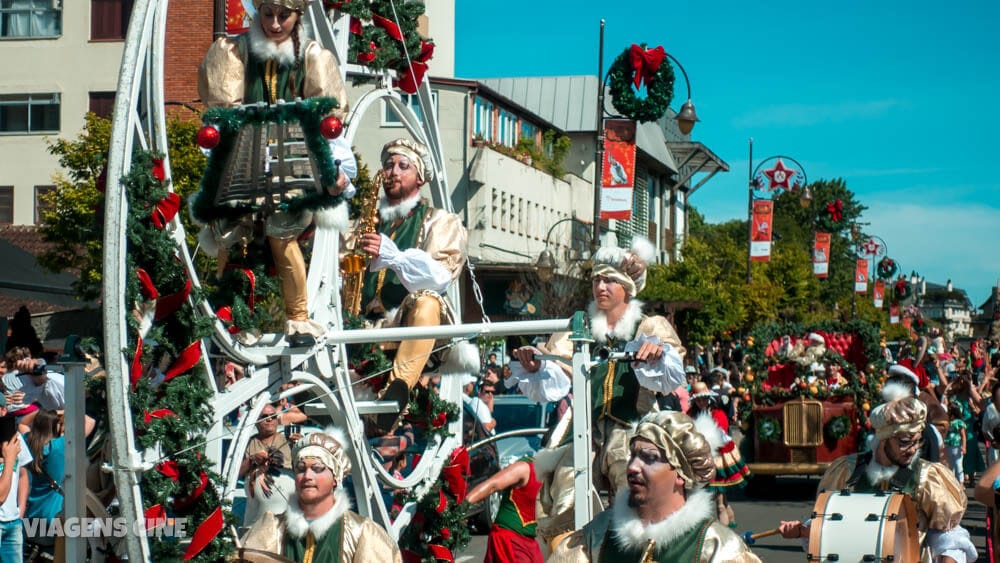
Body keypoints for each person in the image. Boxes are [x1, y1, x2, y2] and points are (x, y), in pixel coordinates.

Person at [197, 0, 357, 347]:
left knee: (281, 233)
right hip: (245, 160)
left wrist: (335, 172)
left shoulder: (314, 58)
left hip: (296, 163)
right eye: (267, 14)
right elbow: (221, 119)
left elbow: (329, 126)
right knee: (228, 232)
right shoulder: (233, 51)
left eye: (283, 15)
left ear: (297, 15)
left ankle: (298, 319)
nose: (273, 23)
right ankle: (234, 316)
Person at [511, 237, 685, 496]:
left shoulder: (648, 327)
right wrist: (537, 366)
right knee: (562, 493)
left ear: (626, 287)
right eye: (596, 280)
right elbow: (556, 366)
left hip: (632, 426)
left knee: (632, 493)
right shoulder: (580, 328)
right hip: (584, 429)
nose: (601, 287)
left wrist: (657, 356)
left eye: (610, 280)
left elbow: (673, 373)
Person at [348, 138, 471, 433]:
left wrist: (395, 258)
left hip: (411, 322)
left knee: (428, 300)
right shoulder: (365, 224)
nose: (393, 171)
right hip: (364, 326)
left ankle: (397, 389)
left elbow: (440, 277)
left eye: (403, 165)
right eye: (388, 164)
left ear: (420, 177)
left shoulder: (439, 221)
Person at [778, 384, 976, 563]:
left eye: (917, 441)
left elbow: (949, 537)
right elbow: (832, 523)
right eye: (905, 442)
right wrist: (801, 531)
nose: (913, 449)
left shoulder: (926, 477)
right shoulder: (848, 471)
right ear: (884, 438)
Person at [549, 411, 760, 562]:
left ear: (681, 475)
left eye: (649, 458)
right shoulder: (596, 536)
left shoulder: (717, 548)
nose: (632, 466)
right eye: (632, 455)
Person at [243, 429, 401, 561]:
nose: (307, 476)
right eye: (300, 468)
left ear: (335, 478)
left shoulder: (361, 533)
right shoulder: (272, 529)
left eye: (317, 468)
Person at [466, 458, 544, 563]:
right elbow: (492, 485)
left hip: (529, 542)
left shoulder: (555, 477)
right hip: (508, 540)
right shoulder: (524, 468)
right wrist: (460, 508)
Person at [240, 403, 295, 527]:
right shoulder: (247, 443)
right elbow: (236, 474)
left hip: (287, 520)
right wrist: (252, 459)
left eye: (273, 416)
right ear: (256, 421)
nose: (269, 419)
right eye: (264, 416)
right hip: (256, 521)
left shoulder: (289, 440)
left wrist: (298, 446)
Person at [0, 397, 31, 562]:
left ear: (4, 410)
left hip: (13, 521)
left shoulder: (15, 438)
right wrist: (9, 459)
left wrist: (22, 506)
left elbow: (23, 474)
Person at [944, 402, 967, 484]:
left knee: (958, 465)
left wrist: (964, 447)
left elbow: (963, 435)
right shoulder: (947, 421)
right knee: (950, 466)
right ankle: (953, 484)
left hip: (957, 446)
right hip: (947, 445)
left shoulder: (959, 422)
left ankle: (961, 483)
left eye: (949, 409)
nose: (948, 410)